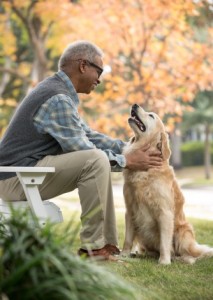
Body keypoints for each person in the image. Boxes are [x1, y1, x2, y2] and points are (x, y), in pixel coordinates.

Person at [0, 40, 162, 260]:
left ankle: (102, 246)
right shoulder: (57, 98)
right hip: (15, 179)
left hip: (22, 174)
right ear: (83, 65)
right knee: (94, 161)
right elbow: (84, 149)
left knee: (95, 158)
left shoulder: (57, 93)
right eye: (99, 71)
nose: (100, 79)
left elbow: (89, 136)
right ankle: (95, 248)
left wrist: (129, 147)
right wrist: (127, 161)